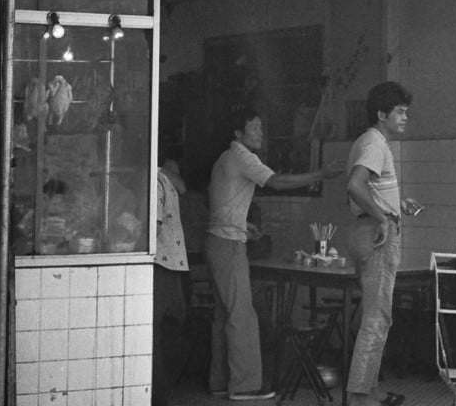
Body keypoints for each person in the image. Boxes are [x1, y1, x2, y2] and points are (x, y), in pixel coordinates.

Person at [207, 107, 340, 401]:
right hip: (229, 245)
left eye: (261, 127)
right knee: (243, 316)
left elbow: (221, 201)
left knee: (224, 315)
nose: (260, 133)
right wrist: (321, 174)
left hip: (218, 241)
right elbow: (277, 181)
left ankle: (220, 381)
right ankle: (245, 386)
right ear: (238, 133)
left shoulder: (224, 158)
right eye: (254, 128)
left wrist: (243, 224)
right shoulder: (242, 156)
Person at [345, 81, 422, 406]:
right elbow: (355, 186)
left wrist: (394, 205)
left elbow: (368, 189)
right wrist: (381, 217)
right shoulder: (375, 143)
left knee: (377, 316)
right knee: (376, 319)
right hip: (377, 235)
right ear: (381, 114)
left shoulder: (369, 142)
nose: (405, 118)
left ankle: (371, 390)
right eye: (400, 112)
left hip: (368, 230)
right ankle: (359, 396)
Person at [153, 158, 188, 406]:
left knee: (155, 333)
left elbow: (152, 229)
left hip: (161, 265)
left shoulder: (155, 182)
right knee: (166, 330)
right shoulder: (163, 180)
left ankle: (159, 396)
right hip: (171, 265)